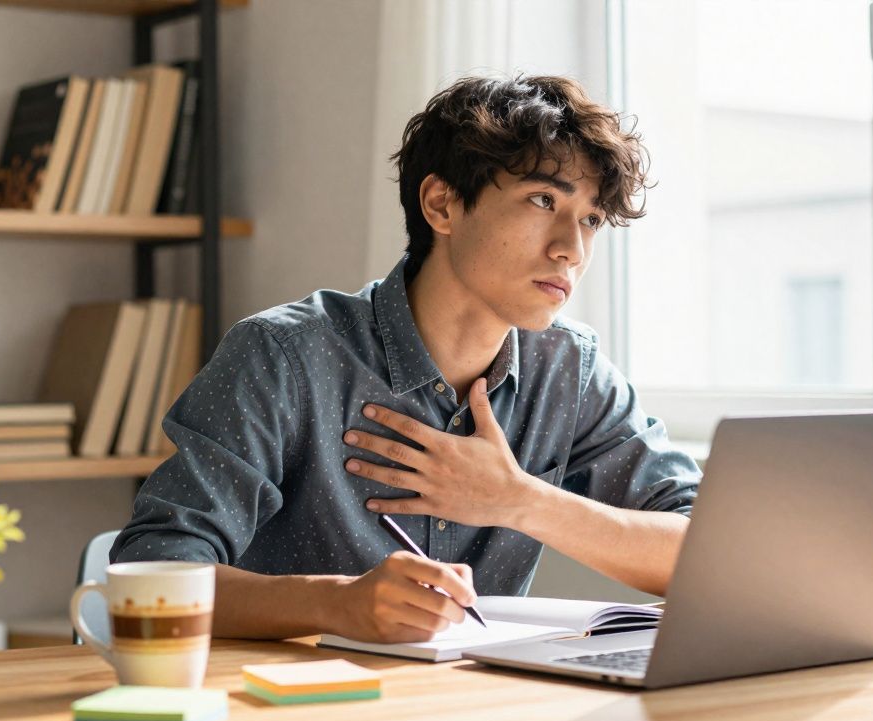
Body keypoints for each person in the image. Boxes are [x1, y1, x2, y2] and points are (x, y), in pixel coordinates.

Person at [112, 74, 700, 644]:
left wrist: (519, 499)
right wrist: (337, 604)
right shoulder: (283, 355)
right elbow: (151, 571)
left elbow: (701, 554)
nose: (572, 249)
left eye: (592, 219)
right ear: (442, 205)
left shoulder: (570, 370)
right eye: (544, 200)